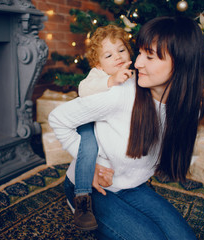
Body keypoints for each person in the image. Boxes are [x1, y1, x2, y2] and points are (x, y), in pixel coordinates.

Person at [49, 15, 204, 239]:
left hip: (133, 186)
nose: (137, 63)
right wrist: (88, 165)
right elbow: (58, 118)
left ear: (181, 63)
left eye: (149, 56)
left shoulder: (190, 108)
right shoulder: (120, 92)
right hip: (91, 187)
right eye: (140, 52)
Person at [71, 24, 134, 231]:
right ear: (99, 64)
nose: (117, 57)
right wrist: (110, 80)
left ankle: (133, 179)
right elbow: (83, 89)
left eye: (121, 50)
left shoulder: (133, 76)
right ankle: (81, 199)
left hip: (110, 126)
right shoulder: (97, 75)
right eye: (108, 55)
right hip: (88, 120)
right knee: (89, 147)